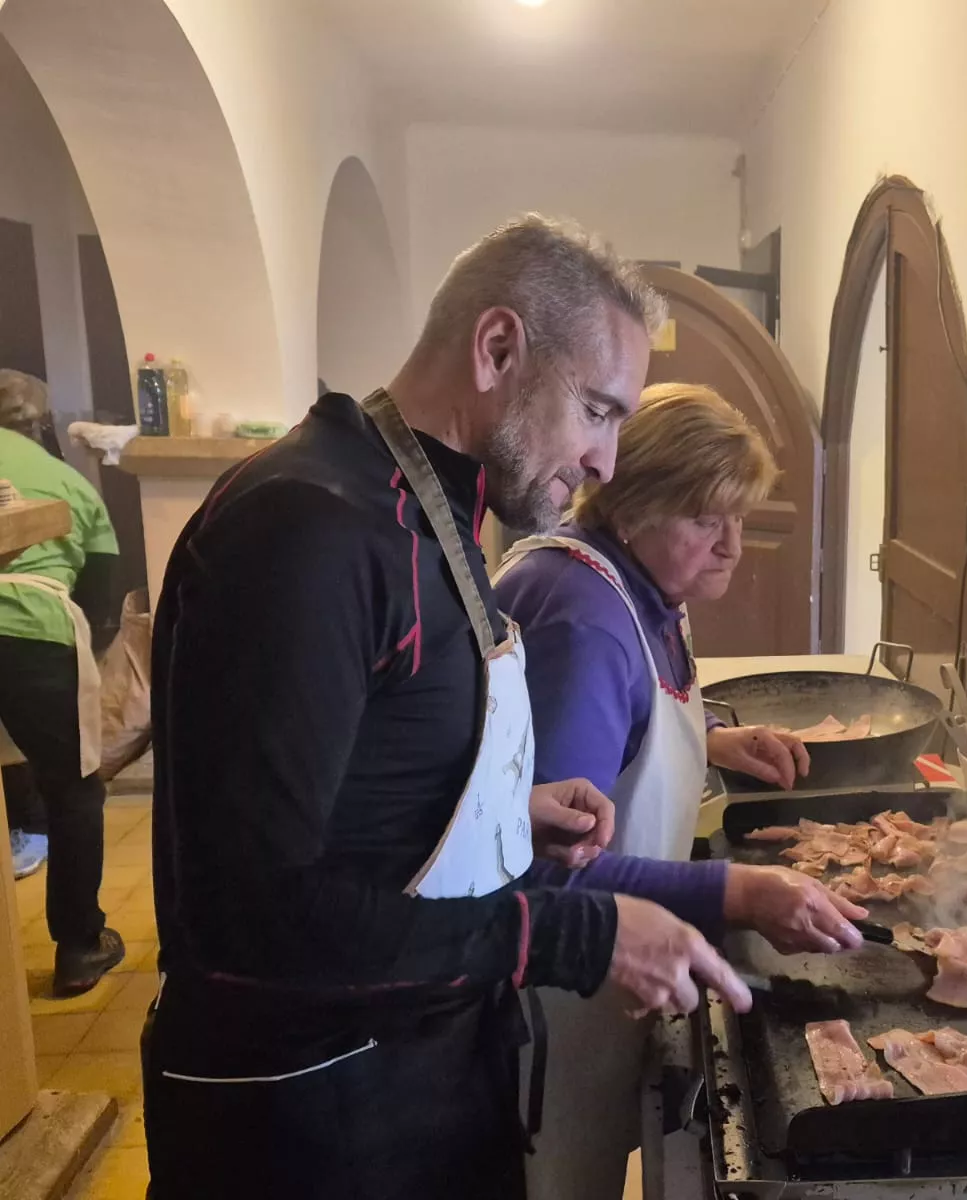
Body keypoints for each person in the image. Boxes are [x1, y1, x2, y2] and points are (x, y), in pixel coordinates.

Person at [141, 214, 752, 1200]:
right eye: (597, 411)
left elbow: (369, 791)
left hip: (427, 1081)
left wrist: (505, 819)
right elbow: (251, 916)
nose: (606, 461)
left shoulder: (434, 513)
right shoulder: (306, 527)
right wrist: (576, 934)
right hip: (310, 1124)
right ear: (497, 347)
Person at [494, 382, 868, 1198]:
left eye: (739, 516)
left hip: (604, 981)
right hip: (552, 999)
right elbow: (550, 871)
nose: (732, 545)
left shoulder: (642, 583)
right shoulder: (584, 617)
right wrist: (741, 892)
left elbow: (624, 724)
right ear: (633, 507)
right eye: (706, 519)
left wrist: (715, 741)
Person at [0, 370, 123, 993]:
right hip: (36, 632)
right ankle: (79, 946)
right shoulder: (68, 481)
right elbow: (100, 589)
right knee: (73, 792)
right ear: (38, 422)